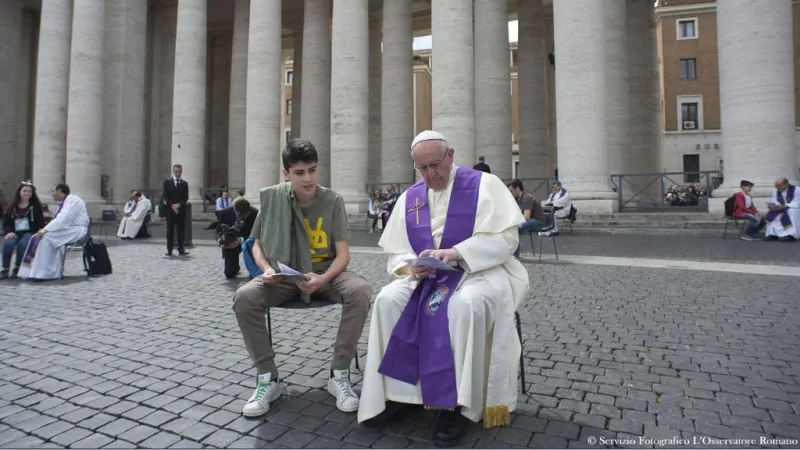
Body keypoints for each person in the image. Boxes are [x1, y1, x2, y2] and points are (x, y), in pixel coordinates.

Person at [357, 130, 529, 446]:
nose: (429, 174)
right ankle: (400, 395)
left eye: (435, 165)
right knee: (386, 300)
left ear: (450, 156)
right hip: (427, 278)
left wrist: (458, 253)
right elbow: (394, 253)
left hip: (478, 272)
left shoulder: (484, 186)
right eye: (421, 169)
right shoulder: (411, 197)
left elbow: (507, 240)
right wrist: (411, 266)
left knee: (464, 306)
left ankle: (458, 404)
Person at [231, 138, 373, 418]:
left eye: (312, 170)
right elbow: (255, 243)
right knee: (244, 297)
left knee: (361, 290)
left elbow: (343, 256)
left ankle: (339, 373)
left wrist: (323, 279)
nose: (307, 179)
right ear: (286, 174)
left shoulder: (332, 200)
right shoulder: (273, 199)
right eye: (299, 173)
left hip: (327, 275)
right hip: (284, 277)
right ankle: (267, 378)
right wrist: (265, 270)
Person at [17, 184, 90, 281]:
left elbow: (63, 219)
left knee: (45, 238)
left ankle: (45, 273)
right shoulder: (64, 202)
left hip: (76, 230)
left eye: (53, 191)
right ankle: (32, 271)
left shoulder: (73, 201)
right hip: (68, 229)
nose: (52, 194)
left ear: (59, 190)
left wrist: (45, 230)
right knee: (37, 237)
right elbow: (59, 221)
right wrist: (45, 229)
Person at [2, 182, 45, 279]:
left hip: (29, 232)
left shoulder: (36, 207)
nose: (27, 193)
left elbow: (40, 222)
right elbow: (6, 223)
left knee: (23, 244)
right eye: (24, 191)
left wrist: (39, 231)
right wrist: (9, 231)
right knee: (8, 243)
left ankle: (17, 267)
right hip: (15, 232)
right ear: (19, 192)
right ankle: (5, 268)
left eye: (29, 191)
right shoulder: (12, 206)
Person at [216, 199, 258, 279]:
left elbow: (257, 235)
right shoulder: (225, 213)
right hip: (231, 243)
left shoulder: (256, 214)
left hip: (249, 241)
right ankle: (235, 267)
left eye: (244, 215)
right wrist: (221, 241)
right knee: (229, 273)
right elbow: (218, 229)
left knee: (254, 274)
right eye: (239, 214)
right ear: (234, 210)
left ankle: (254, 269)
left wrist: (241, 240)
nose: (241, 217)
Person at [507, 179, 544, 257]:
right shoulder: (517, 198)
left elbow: (526, 217)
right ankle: (511, 253)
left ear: (517, 189)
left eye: (511, 191)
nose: (510, 193)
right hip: (530, 220)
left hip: (537, 221)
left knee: (515, 228)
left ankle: (515, 255)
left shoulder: (526, 198)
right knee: (510, 227)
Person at [162, 164, 189, 256]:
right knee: (170, 230)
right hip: (170, 210)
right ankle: (169, 249)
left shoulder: (184, 183)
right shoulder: (167, 182)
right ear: (173, 172)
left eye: (179, 171)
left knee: (181, 230)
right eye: (176, 171)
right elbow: (165, 196)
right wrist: (172, 206)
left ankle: (181, 248)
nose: (178, 173)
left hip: (181, 210)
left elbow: (186, 197)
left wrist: (179, 205)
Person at [764, 177, 800, 242]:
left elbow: (797, 202)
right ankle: (773, 234)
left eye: (779, 186)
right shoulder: (775, 190)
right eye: (776, 186)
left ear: (786, 184)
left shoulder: (797, 190)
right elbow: (775, 200)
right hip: (780, 207)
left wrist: (785, 206)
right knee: (771, 213)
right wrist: (774, 206)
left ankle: (791, 235)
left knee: (792, 212)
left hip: (792, 207)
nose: (777, 187)